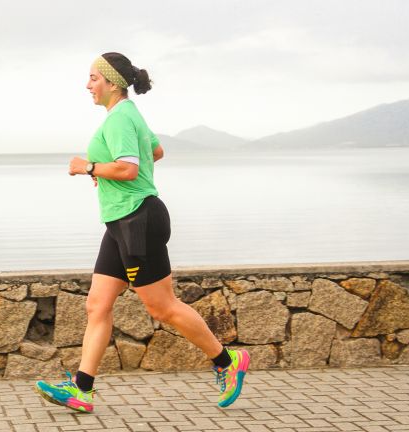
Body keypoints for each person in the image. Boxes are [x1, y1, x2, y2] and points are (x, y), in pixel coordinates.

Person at [34, 52, 250, 413]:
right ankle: (82, 389)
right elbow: (157, 151)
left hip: (138, 220)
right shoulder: (130, 115)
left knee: (162, 307)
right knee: (97, 304)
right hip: (120, 221)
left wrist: (87, 167)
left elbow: (129, 170)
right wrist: (105, 172)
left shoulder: (120, 119)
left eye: (92, 78)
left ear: (111, 83)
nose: (87, 85)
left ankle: (227, 362)